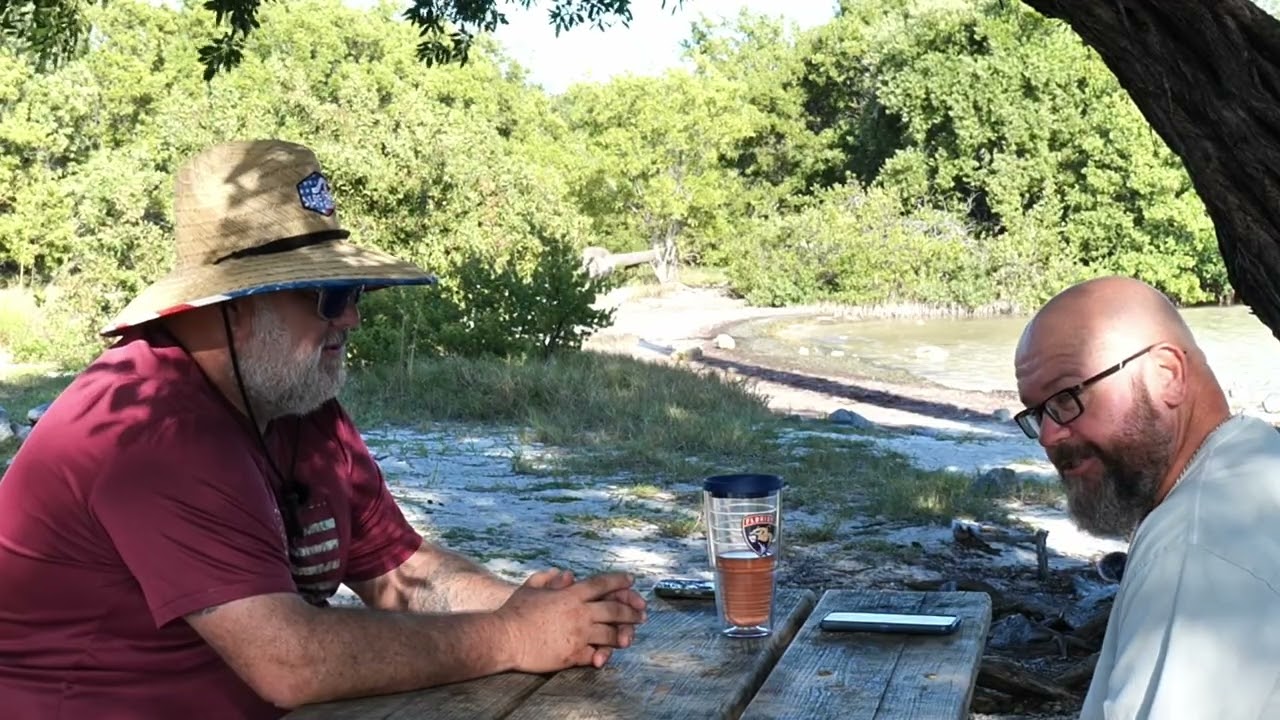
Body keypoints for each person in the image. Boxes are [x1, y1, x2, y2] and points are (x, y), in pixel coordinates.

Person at [0, 139, 647, 718]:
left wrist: (542, 616)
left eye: (356, 293)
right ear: (239, 304)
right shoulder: (150, 430)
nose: (353, 320)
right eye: (331, 297)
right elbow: (290, 661)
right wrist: (513, 636)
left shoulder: (292, 399)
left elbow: (401, 571)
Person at [1013, 275, 1280, 719]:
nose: (1048, 436)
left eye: (1066, 397)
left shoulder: (1196, 548)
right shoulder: (1255, 464)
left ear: (1168, 375)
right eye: (1037, 412)